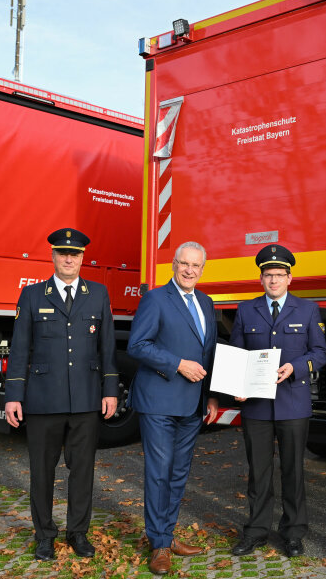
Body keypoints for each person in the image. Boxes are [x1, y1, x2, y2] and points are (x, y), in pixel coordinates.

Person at [4, 228, 118, 561]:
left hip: (85, 400)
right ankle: (44, 536)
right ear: (53, 257)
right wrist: (13, 395)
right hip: (43, 401)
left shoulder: (98, 294)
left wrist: (110, 390)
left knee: (82, 471)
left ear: (83, 258)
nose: (69, 259)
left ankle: (78, 533)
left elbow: (107, 347)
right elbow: (20, 348)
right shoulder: (32, 296)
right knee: (42, 472)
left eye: (76, 254)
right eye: (63, 253)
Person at [229, 244, 326, 558]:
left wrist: (296, 367)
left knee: (293, 471)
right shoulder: (246, 310)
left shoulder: (307, 310)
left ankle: (293, 533)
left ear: (290, 278)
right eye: (268, 275)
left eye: (279, 275)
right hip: (257, 405)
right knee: (258, 472)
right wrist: (236, 384)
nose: (274, 280)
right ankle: (256, 531)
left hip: (292, 403)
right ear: (261, 279)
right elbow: (238, 355)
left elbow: (321, 352)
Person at [127, 241, 218, 575]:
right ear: (173, 265)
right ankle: (160, 545)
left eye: (196, 265)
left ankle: (167, 533)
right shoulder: (155, 298)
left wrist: (210, 396)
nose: (189, 270)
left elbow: (208, 353)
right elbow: (138, 344)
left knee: (179, 474)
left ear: (202, 268)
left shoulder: (207, 303)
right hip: (160, 402)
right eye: (184, 264)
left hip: (192, 404)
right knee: (160, 473)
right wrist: (177, 363)